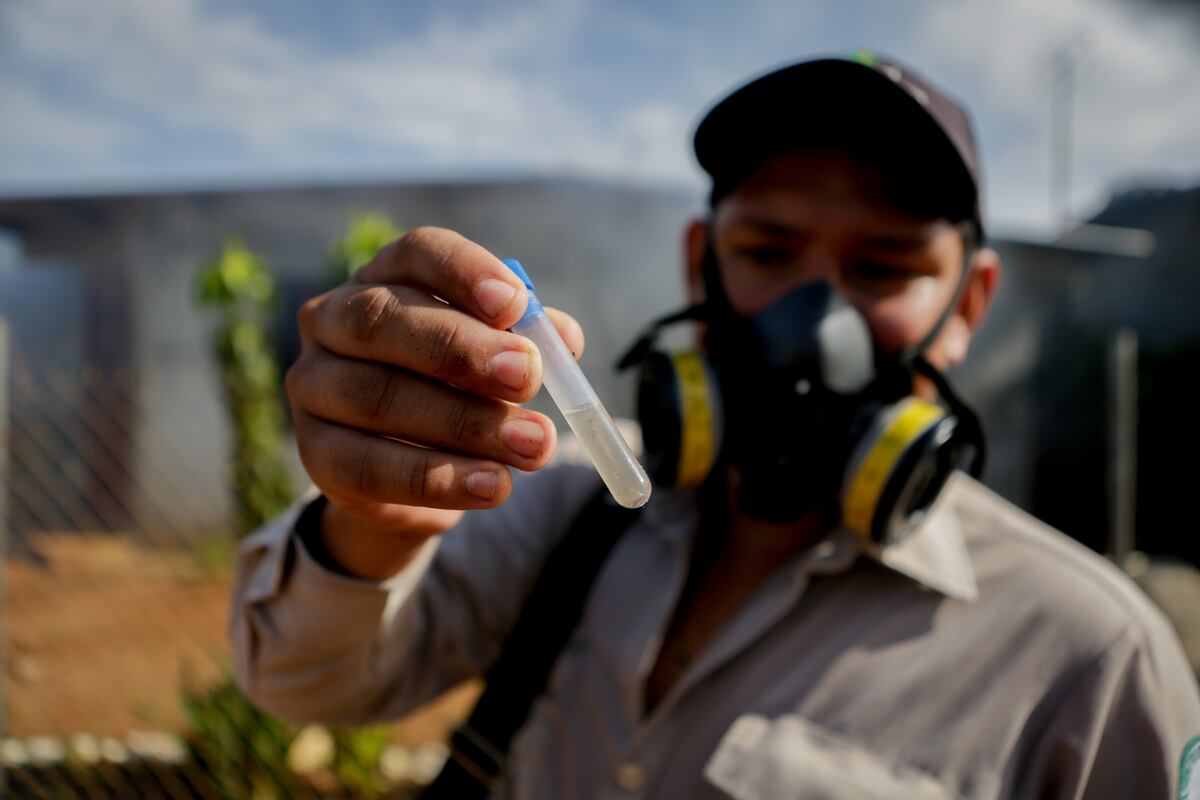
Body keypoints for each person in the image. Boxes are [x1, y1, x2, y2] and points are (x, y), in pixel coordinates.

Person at [231, 54, 1200, 798]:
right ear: (701, 264)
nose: (817, 319)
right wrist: (374, 521)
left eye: (882, 267)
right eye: (768, 251)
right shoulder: (566, 502)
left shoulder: (1092, 662)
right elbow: (305, 685)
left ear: (969, 304)